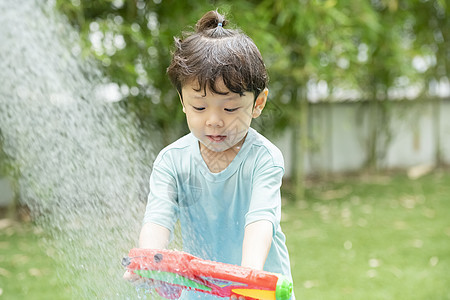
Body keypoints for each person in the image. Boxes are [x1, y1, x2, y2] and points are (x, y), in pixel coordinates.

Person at [125, 10, 294, 299]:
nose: (214, 120)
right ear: (182, 102)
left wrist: (249, 279)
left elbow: (260, 220)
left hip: (257, 291)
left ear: (258, 103)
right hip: (199, 292)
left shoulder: (263, 159)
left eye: (229, 109)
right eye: (199, 108)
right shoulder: (172, 161)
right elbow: (158, 217)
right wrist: (149, 259)